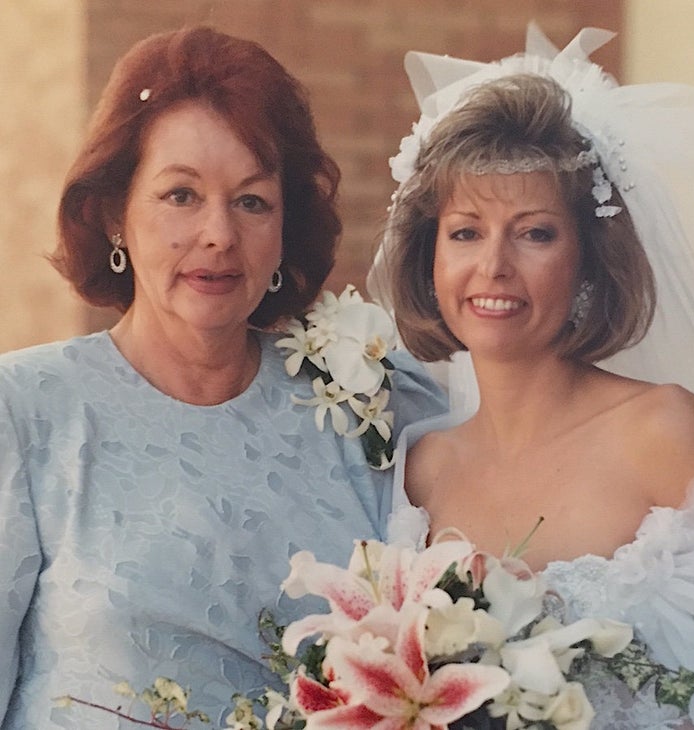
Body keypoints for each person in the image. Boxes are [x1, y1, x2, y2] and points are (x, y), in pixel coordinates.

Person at [0, 26, 447, 729]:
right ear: (116, 215)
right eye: (181, 195)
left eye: (251, 201)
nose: (218, 234)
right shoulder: (24, 409)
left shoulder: (361, 406)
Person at [371, 25, 694, 729]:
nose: (493, 267)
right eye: (466, 231)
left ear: (589, 260)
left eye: (535, 233)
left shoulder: (666, 431)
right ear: (429, 259)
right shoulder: (420, 469)